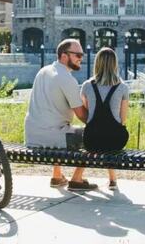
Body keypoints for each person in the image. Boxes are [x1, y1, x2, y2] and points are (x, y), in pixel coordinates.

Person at [25, 38, 98, 191]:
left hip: (32, 135)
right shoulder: (66, 78)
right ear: (64, 55)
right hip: (53, 137)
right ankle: (77, 179)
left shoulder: (43, 71)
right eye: (77, 55)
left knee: (59, 124)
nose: (81, 59)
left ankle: (57, 176)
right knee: (95, 135)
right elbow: (83, 116)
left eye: (82, 55)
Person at [81, 47, 129, 190]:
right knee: (111, 135)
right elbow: (122, 119)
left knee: (100, 132)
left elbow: (88, 112)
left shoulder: (86, 86)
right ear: (115, 64)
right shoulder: (123, 87)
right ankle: (113, 180)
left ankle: (113, 179)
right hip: (115, 141)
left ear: (97, 63)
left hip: (91, 139)